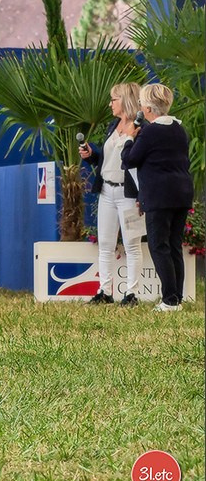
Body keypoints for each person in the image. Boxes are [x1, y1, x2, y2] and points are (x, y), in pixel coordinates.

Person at [121, 83, 194, 312]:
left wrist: (130, 138)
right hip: (181, 193)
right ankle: (176, 297)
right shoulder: (179, 129)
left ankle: (169, 300)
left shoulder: (150, 131)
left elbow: (130, 159)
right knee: (173, 245)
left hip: (159, 195)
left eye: (142, 103)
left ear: (149, 108)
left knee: (158, 245)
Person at [79, 82, 145, 306]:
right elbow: (107, 160)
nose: (110, 104)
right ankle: (105, 291)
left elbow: (136, 162)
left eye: (113, 99)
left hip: (128, 193)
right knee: (106, 244)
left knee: (132, 244)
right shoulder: (113, 125)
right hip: (107, 190)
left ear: (124, 100)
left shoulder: (140, 128)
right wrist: (91, 155)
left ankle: (131, 293)